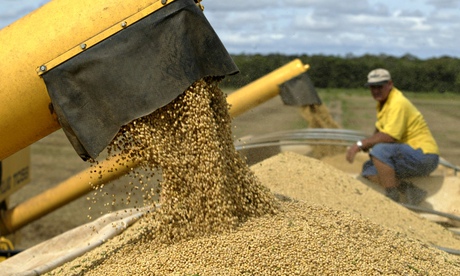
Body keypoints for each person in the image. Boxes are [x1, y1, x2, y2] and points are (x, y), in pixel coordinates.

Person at [346, 68, 439, 204]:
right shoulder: (384, 103)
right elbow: (379, 130)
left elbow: (389, 136)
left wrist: (361, 144)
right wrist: (369, 144)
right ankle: (410, 190)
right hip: (408, 156)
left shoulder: (398, 103)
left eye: (380, 86)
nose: (376, 91)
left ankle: (392, 199)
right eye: (373, 87)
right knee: (369, 169)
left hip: (424, 156)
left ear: (390, 84)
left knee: (380, 150)